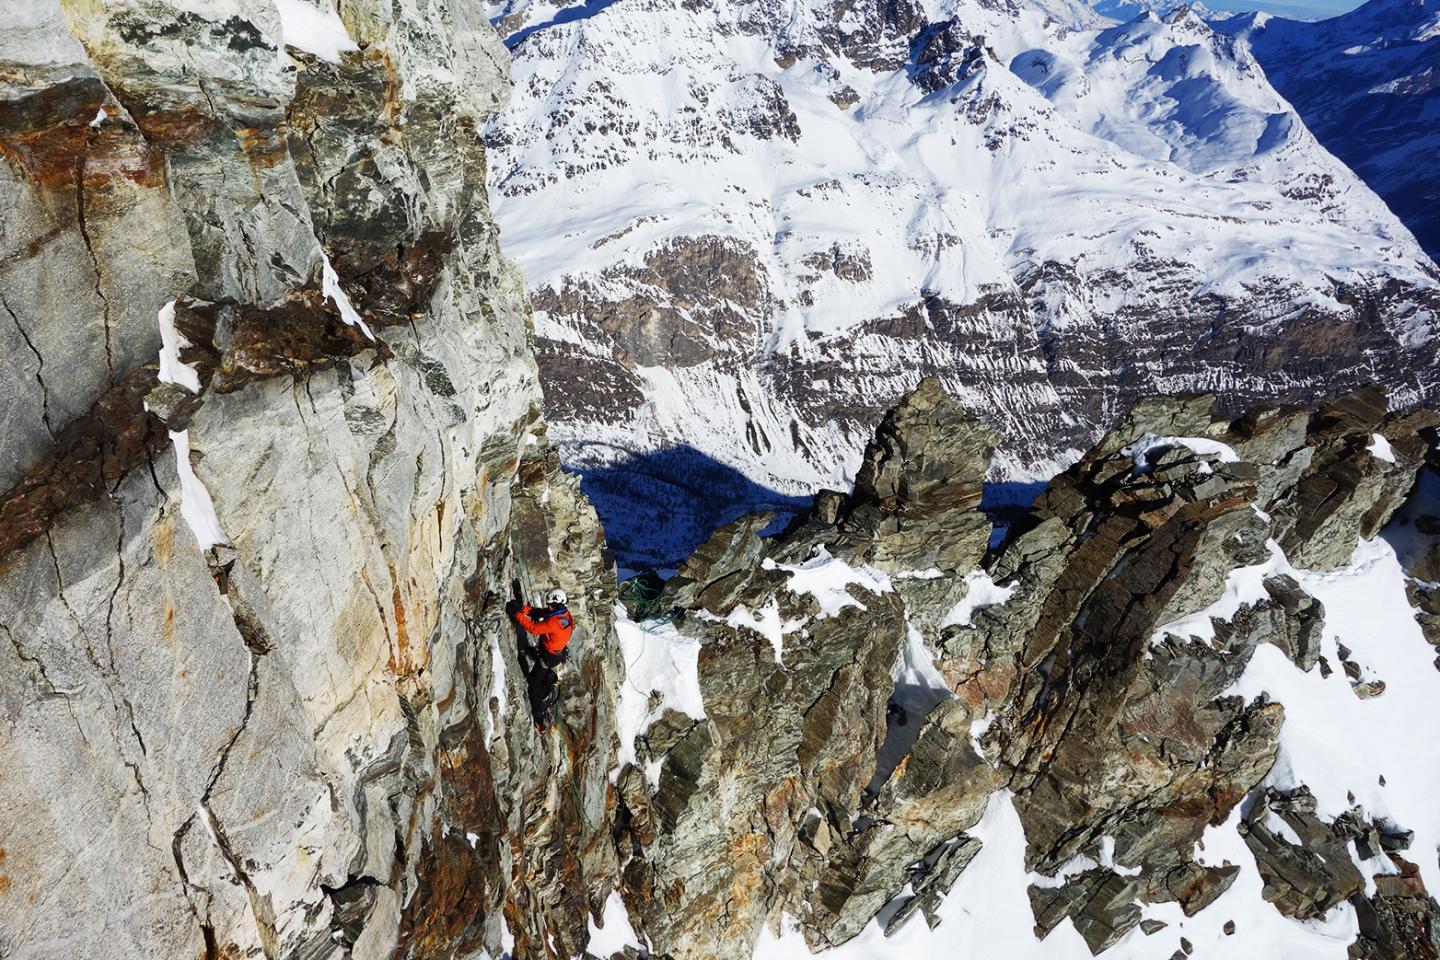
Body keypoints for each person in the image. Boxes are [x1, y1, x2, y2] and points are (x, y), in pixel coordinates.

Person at [511, 588, 574, 730]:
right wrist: (524, 609)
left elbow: (533, 629)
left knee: (533, 685)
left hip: (548, 657)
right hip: (554, 653)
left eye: (551, 604)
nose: (548, 606)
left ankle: (539, 717)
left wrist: (517, 614)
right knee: (537, 661)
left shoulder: (555, 622)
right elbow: (543, 613)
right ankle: (548, 677)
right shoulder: (565, 615)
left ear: (557, 605)